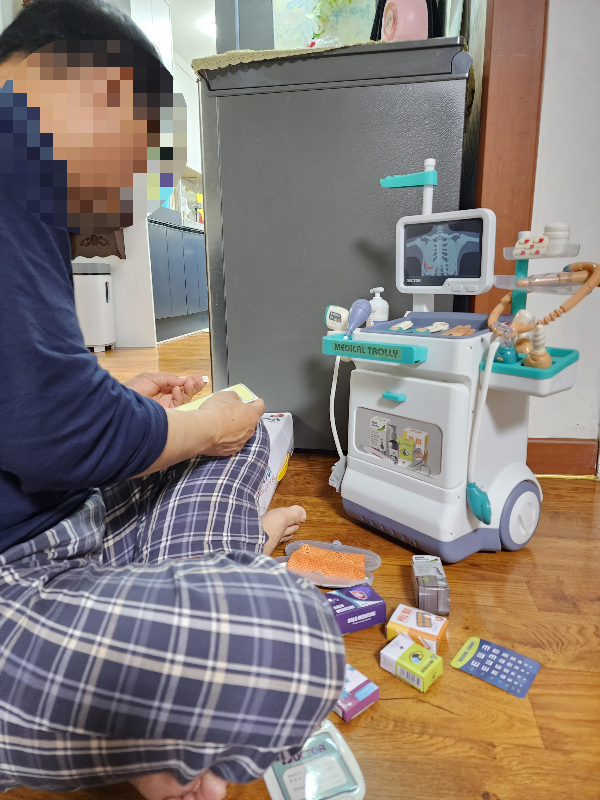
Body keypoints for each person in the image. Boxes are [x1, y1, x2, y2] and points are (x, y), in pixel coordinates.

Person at [0, 2, 345, 799]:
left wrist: (117, 396)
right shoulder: (12, 156)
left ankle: (175, 635)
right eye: (138, 154)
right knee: (294, 635)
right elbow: (57, 431)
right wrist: (189, 427)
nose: (129, 193)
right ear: (95, 90)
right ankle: (215, 586)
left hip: (57, 527)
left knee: (253, 429)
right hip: (19, 577)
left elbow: (29, 399)